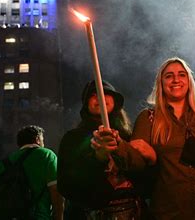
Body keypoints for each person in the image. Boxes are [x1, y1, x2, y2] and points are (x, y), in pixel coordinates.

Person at [97, 57, 195, 219]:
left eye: (182, 74)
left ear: (189, 81)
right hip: (172, 211)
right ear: (161, 83)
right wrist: (117, 145)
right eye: (169, 76)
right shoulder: (148, 118)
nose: (176, 79)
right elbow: (136, 161)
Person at [58, 80, 153, 219]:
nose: (99, 97)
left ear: (115, 102)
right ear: (86, 105)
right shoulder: (73, 139)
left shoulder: (128, 137)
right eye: (93, 95)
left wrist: (151, 159)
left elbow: (147, 186)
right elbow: (67, 186)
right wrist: (97, 158)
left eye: (106, 93)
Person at [0, 125, 64, 220]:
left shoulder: (4, 162)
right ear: (37, 139)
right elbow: (57, 193)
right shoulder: (47, 155)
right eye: (43, 139)